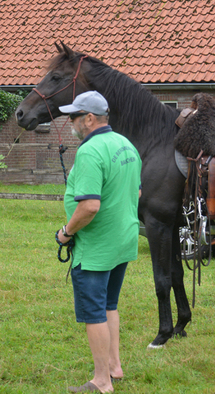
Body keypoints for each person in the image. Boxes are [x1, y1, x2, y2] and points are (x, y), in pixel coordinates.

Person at [55, 91, 142, 393]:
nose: (70, 123)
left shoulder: (90, 151)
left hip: (97, 247)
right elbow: (137, 193)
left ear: (89, 119)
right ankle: (114, 367)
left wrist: (66, 232)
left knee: (94, 312)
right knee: (109, 305)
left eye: (74, 117)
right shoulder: (126, 145)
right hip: (123, 240)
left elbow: (90, 206)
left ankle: (102, 380)